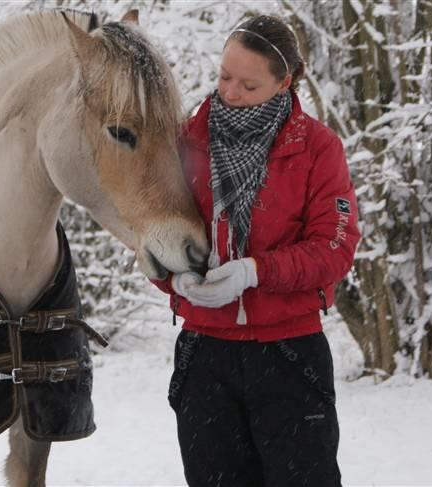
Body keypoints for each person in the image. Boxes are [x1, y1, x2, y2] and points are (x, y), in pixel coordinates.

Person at [152, 14, 360, 487]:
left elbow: (334, 247)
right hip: (204, 358)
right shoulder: (185, 140)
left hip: (290, 355)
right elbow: (153, 226)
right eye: (225, 76)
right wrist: (173, 274)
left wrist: (254, 272)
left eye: (248, 85)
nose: (229, 92)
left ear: (283, 82)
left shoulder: (318, 149)